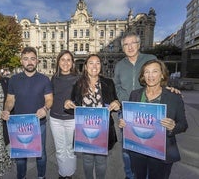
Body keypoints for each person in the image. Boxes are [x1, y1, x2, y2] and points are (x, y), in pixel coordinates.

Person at [118, 59, 188, 179]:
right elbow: (129, 118)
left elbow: (183, 124)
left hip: (161, 152)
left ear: (162, 75)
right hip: (138, 150)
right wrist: (124, 123)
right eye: (147, 72)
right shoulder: (135, 94)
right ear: (143, 76)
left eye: (155, 71)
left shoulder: (174, 96)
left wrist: (173, 127)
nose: (150, 76)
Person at [64, 54, 120, 179]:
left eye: (98, 63)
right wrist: (68, 104)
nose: (94, 66)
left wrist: (117, 103)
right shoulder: (78, 84)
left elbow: (115, 101)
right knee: (87, 159)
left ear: (101, 66)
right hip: (85, 130)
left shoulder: (108, 83)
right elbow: (73, 105)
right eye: (91, 63)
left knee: (101, 160)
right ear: (85, 66)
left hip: (104, 130)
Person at [1, 46, 53, 179]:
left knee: (40, 153)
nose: (29, 62)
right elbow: (10, 100)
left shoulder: (44, 79)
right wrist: (6, 110)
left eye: (32, 59)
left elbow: (49, 99)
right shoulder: (14, 79)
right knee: (20, 155)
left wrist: (45, 109)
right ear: (21, 61)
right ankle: (21, 176)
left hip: (38, 123)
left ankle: (41, 176)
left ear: (37, 61)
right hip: (19, 124)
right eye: (26, 59)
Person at [114, 31, 157, 179]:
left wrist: (169, 89)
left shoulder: (150, 59)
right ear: (123, 47)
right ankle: (130, 175)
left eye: (133, 43)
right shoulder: (119, 65)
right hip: (126, 111)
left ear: (139, 44)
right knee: (127, 148)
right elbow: (117, 85)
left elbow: (160, 77)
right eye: (126, 44)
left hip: (148, 110)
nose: (130, 46)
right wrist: (124, 100)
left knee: (148, 146)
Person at [50, 50, 79, 179]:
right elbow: (50, 97)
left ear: (72, 63)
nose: (65, 63)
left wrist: (73, 102)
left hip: (72, 119)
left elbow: (82, 99)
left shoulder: (79, 79)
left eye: (68, 60)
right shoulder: (54, 78)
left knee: (71, 150)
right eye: (63, 60)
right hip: (55, 119)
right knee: (60, 150)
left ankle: (70, 174)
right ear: (58, 62)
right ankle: (63, 173)